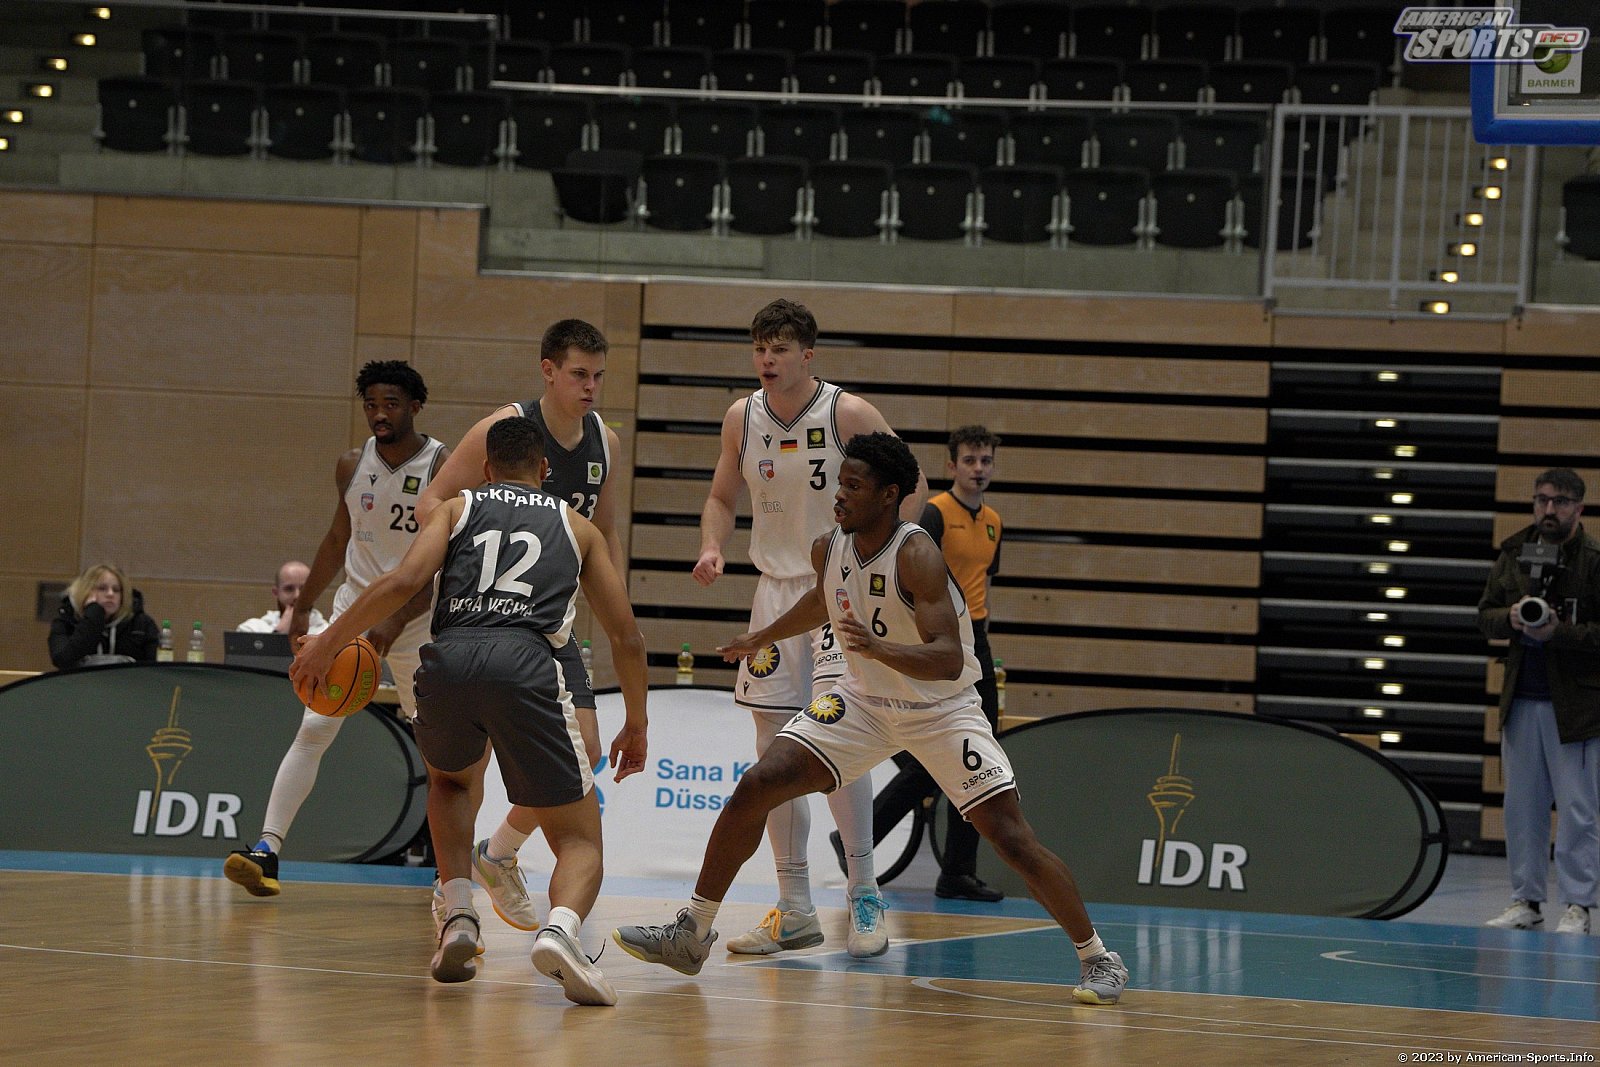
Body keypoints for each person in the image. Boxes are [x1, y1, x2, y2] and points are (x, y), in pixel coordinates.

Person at [613, 433, 1129, 1006]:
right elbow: (822, 600)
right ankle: (692, 932)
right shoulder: (829, 546)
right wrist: (762, 636)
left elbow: (948, 658)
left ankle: (1099, 958)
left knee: (1011, 838)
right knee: (759, 782)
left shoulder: (916, 554)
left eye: (853, 486)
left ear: (888, 495)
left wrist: (881, 650)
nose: (839, 495)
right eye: (840, 483)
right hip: (862, 702)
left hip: (940, 710)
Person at [291, 416, 649, 1001]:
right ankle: (560, 932)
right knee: (579, 839)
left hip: (448, 659)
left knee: (452, 784)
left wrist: (328, 643)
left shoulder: (455, 509)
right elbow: (626, 637)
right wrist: (636, 721)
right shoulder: (579, 528)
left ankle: (458, 911)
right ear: (544, 470)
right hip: (526, 662)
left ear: (485, 469)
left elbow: (402, 581)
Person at [693, 299, 927, 958]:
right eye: (759, 348)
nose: (767, 360)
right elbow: (720, 496)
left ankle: (864, 891)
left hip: (838, 590)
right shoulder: (742, 416)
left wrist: (884, 559)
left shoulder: (847, 413)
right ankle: (793, 904)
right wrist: (712, 544)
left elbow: (913, 482)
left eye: (779, 349)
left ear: (807, 355)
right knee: (773, 755)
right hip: (773, 592)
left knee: (838, 739)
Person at [415, 318, 622, 933]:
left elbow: (605, 533)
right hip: (484, 612)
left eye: (598, 376)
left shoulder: (605, 441)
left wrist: (613, 603)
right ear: (548, 371)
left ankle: (499, 852)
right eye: (579, 374)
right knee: (469, 767)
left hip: (551, 622)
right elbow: (432, 503)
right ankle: (449, 894)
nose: (590, 387)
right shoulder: (501, 429)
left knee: (586, 749)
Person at [223, 361, 448, 898]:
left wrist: (395, 620)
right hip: (354, 613)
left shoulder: (442, 465)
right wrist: (305, 606)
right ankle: (267, 851)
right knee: (314, 729)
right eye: (370, 404)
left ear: (415, 406)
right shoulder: (352, 464)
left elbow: (445, 561)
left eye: (390, 404)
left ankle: (451, 870)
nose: (379, 414)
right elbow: (335, 538)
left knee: (439, 749)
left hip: (418, 620)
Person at [843, 425, 1007, 901]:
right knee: (934, 756)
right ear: (952, 465)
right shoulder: (934, 514)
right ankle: (862, 835)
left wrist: (982, 639)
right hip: (933, 639)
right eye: (970, 460)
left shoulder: (993, 521)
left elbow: (982, 585)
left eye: (986, 460)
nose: (978, 469)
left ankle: (957, 871)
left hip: (975, 638)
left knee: (977, 751)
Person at [1478, 467, 1599, 936]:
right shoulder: (1513, 552)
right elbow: (1484, 616)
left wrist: (1559, 633)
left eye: (1560, 502)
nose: (1549, 510)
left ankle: (1579, 905)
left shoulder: (1594, 560)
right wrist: (1510, 617)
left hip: (1577, 707)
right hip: (1522, 698)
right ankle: (1525, 899)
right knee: (1522, 808)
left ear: (1578, 508)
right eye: (1542, 500)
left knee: (1577, 810)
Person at [48, 562, 161, 669]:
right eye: (102, 588)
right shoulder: (66, 621)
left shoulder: (141, 624)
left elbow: (156, 669)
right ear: (85, 592)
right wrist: (93, 616)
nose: (110, 594)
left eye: (116, 590)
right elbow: (62, 659)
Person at [236, 560, 327, 635]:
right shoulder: (251, 630)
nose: (297, 596)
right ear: (276, 592)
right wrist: (279, 633)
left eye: (304, 589)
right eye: (289, 589)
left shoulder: (326, 632)